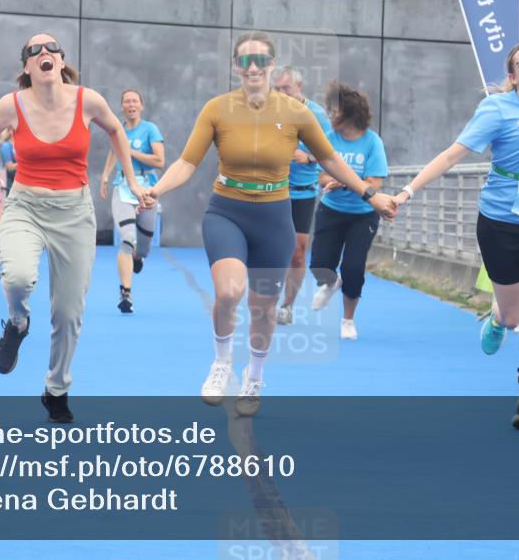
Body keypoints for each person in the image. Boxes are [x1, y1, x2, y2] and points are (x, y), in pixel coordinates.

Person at [143, 31, 395, 417]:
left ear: (272, 64)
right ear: (235, 66)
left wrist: (370, 194)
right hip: (227, 211)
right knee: (229, 292)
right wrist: (156, 190)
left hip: (275, 216)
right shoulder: (217, 108)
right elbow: (186, 162)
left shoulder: (296, 113)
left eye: (260, 59)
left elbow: (331, 159)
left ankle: (254, 377)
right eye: (245, 60)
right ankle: (222, 363)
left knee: (263, 308)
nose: (253, 67)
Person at [392, 41, 519, 430]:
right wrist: (407, 192)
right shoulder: (497, 110)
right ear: (513, 76)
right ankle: (499, 319)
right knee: (513, 311)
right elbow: (451, 155)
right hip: (501, 220)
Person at [0, 33, 145, 424]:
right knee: (17, 278)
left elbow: (116, 130)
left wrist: (131, 179)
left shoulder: (87, 100)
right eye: (35, 50)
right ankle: (18, 323)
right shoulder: (11, 104)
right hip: (25, 206)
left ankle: (56, 389)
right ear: (27, 66)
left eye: (52, 49)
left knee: (68, 312)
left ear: (61, 61)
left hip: (74, 213)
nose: (44, 53)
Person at [308, 82, 388, 340]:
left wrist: (343, 182)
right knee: (320, 266)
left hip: (362, 215)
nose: (329, 116)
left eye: (334, 112)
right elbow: (321, 176)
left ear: (350, 115)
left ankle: (348, 320)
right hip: (331, 210)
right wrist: (330, 181)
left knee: (353, 268)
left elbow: (375, 183)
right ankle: (331, 283)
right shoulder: (329, 139)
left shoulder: (372, 142)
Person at [270, 65, 332, 326]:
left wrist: (307, 157)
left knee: (297, 252)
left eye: (286, 88)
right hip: (272, 188)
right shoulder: (267, 112)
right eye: (277, 89)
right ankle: (267, 299)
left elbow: (331, 153)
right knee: (271, 249)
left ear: (299, 87)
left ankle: (287, 305)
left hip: (302, 192)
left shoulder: (316, 115)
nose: (281, 93)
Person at [99, 88, 164, 314]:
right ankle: (125, 293)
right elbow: (113, 152)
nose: (131, 105)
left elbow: (160, 161)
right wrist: (105, 175)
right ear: (122, 106)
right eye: (127, 101)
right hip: (123, 188)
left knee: (143, 247)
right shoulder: (118, 129)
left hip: (147, 189)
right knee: (126, 239)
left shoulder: (150, 129)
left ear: (141, 105)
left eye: (135, 101)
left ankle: (139, 256)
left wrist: (130, 153)